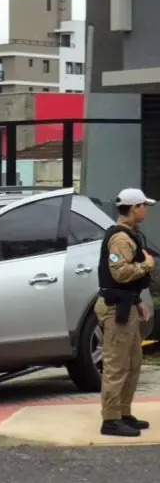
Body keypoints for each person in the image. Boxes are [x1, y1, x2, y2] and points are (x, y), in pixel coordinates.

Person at [97, 187, 156, 437]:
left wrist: (137, 301)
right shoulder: (120, 238)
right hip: (115, 309)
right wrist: (146, 265)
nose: (146, 210)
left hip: (126, 305)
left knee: (132, 362)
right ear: (133, 208)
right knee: (116, 365)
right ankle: (110, 420)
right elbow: (119, 273)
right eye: (144, 206)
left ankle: (123, 413)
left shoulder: (130, 234)